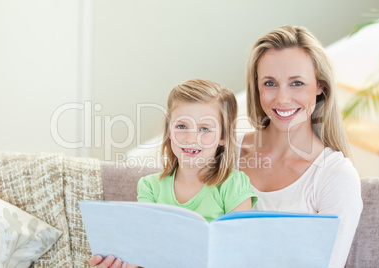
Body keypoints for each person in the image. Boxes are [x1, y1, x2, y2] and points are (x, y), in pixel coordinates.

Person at [89, 79, 257, 268]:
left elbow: (240, 253)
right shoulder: (150, 187)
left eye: (204, 129)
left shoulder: (234, 185)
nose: (190, 138)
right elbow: (144, 252)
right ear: (169, 131)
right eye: (181, 126)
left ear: (223, 137)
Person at [237, 25, 362, 268]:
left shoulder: (334, 176)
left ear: (320, 87)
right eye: (270, 83)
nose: (282, 98)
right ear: (257, 88)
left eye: (297, 83)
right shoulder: (225, 151)